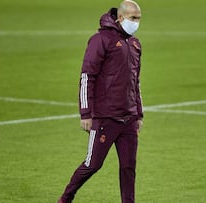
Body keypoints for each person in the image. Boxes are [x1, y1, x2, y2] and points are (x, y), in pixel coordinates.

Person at [58, 1, 143, 202]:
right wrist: (86, 113)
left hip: (129, 118)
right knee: (92, 164)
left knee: (128, 167)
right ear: (121, 18)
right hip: (106, 117)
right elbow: (87, 76)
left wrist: (138, 113)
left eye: (139, 18)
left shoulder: (135, 44)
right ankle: (65, 198)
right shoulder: (100, 40)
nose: (137, 22)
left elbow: (135, 81)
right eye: (133, 18)